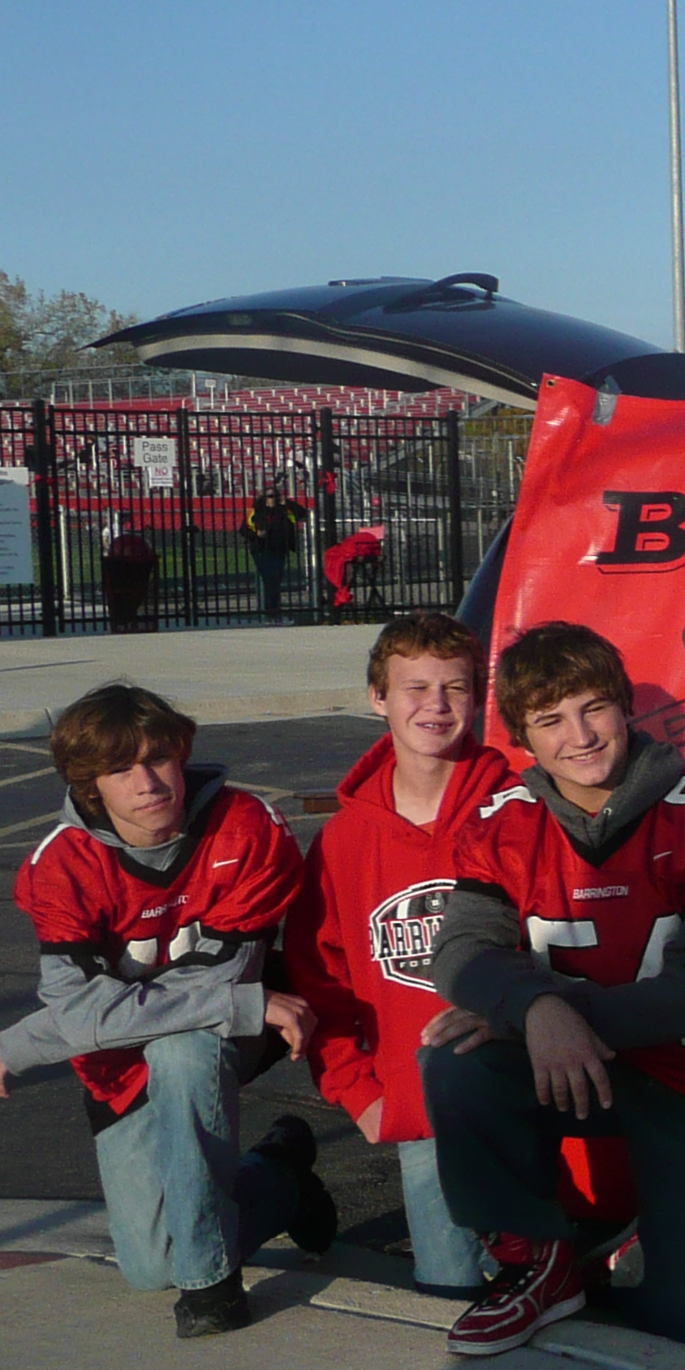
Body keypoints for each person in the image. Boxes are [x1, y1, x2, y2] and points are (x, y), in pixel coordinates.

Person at [423, 621, 685, 1356]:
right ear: (524, 736)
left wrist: (547, 1015)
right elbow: (460, 951)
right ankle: (537, 1259)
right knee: (455, 1059)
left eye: (592, 708)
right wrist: (536, 1007)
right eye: (551, 721)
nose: (579, 736)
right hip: (572, 1065)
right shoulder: (502, 824)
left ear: (624, 708)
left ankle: (660, 1230)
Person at [0, 683, 333, 1337]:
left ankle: (211, 1289)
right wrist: (45, 1033)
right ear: (91, 787)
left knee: (183, 1046)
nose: (146, 782)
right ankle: (280, 1179)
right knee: (148, 1266)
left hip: (223, 1041)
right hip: (122, 1061)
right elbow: (84, 1017)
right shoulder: (62, 864)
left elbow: (214, 994)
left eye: (157, 757)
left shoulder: (244, 828)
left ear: (182, 753)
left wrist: (49, 1031)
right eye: (120, 769)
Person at [282, 611, 507, 1295]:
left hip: (524, 1087)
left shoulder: (515, 808)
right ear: (379, 697)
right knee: (452, 1291)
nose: (435, 706)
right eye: (415, 688)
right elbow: (322, 982)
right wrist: (361, 1093)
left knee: (564, 1302)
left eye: (454, 688)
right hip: (420, 1106)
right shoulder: (346, 842)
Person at [243, 485, 304, 623]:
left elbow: (301, 513)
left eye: (275, 496)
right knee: (270, 579)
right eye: (270, 496)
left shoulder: (285, 510)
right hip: (261, 549)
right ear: (264, 498)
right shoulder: (257, 511)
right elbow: (244, 529)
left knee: (276, 580)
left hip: (280, 549)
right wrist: (256, 534)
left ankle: (272, 611)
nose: (273, 499)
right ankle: (271, 612)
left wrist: (286, 502)